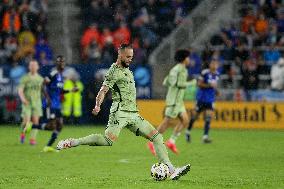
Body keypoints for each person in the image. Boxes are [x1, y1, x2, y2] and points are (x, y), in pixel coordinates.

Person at [56, 44, 190, 180]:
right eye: (127, 57)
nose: (130, 59)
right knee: (107, 141)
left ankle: (172, 170)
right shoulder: (114, 71)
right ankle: (73, 142)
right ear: (120, 55)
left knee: (157, 137)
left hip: (133, 113)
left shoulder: (128, 70)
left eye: (131, 57)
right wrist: (98, 105)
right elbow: (103, 90)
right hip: (119, 113)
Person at [24, 55, 78, 152]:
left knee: (60, 125)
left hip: (57, 105)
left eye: (63, 62)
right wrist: (47, 98)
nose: (62, 63)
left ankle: (48, 146)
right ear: (56, 63)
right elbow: (43, 85)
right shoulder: (53, 73)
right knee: (51, 126)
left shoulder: (61, 77)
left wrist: (71, 90)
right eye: (59, 62)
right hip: (51, 104)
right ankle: (32, 125)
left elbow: (60, 91)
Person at [147, 49, 196, 155]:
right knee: (166, 123)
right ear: (184, 58)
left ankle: (171, 142)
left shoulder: (182, 69)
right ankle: (151, 142)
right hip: (174, 101)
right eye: (188, 57)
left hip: (179, 101)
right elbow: (177, 83)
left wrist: (173, 82)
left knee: (186, 120)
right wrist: (191, 83)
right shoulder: (177, 70)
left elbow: (166, 81)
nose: (189, 59)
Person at [185, 59, 220, 143]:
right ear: (210, 65)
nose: (215, 65)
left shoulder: (217, 74)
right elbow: (199, 84)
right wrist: (209, 85)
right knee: (194, 117)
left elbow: (214, 87)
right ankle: (188, 132)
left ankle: (205, 137)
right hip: (201, 98)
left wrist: (217, 91)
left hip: (210, 99)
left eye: (216, 64)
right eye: (213, 63)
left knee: (208, 117)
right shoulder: (205, 73)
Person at [18, 60, 44, 145]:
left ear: (37, 67)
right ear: (29, 67)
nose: (33, 67)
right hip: (27, 102)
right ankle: (23, 133)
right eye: (31, 65)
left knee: (36, 122)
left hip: (36, 103)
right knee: (26, 122)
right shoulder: (25, 78)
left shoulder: (40, 79)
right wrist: (23, 99)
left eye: (34, 65)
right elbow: (20, 90)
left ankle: (32, 139)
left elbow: (41, 91)